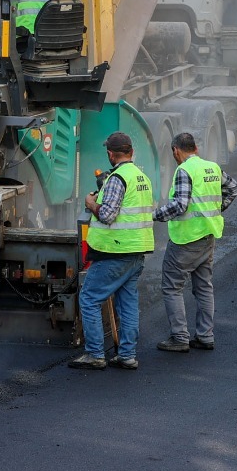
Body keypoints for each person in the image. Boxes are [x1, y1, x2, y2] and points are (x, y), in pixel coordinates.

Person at [69, 132, 156, 371]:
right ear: (131, 151)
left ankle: (95, 354)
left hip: (115, 252)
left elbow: (107, 215)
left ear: (110, 154)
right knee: (127, 304)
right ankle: (127, 355)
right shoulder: (142, 177)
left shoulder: (118, 178)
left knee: (88, 298)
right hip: (136, 252)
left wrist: (91, 204)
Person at [154, 132, 237, 352]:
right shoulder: (211, 167)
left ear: (176, 150)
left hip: (186, 239)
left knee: (172, 287)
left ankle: (180, 338)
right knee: (203, 288)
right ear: (196, 149)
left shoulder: (184, 170)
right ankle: (205, 336)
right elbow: (233, 188)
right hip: (208, 236)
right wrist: (215, 210)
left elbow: (180, 205)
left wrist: (155, 216)